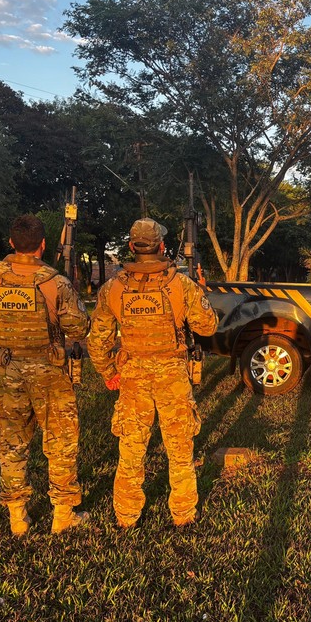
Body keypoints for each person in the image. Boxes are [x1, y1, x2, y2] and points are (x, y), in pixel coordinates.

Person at [0, 214, 91, 536]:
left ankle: (18, 517)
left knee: (12, 443)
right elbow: (79, 328)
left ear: (12, 243)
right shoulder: (55, 282)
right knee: (60, 442)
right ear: (42, 245)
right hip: (51, 374)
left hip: (8, 373)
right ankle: (62, 515)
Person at [88, 218, 218, 529]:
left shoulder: (113, 288)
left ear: (132, 247)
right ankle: (183, 515)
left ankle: (126, 517)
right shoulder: (181, 285)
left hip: (132, 374)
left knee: (131, 451)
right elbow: (207, 326)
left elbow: (98, 340)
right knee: (180, 449)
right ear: (161, 247)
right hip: (172, 373)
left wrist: (108, 372)